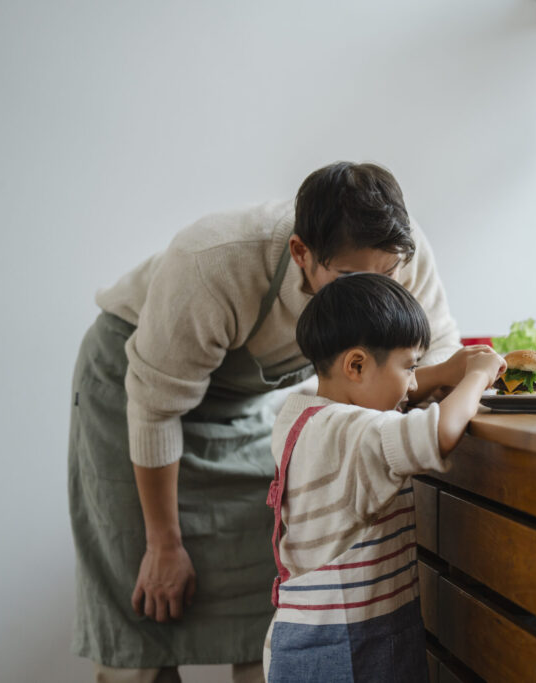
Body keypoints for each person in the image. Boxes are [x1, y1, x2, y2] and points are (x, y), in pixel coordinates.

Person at [69, 162, 478, 682]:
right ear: (300, 253)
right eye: (352, 278)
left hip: (245, 402)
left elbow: (431, 357)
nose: (375, 295)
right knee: (147, 595)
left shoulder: (399, 249)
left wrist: (471, 377)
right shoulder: (213, 261)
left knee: (264, 580)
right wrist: (164, 544)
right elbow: (156, 408)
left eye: (388, 277)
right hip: (139, 393)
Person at [263, 273, 503, 682]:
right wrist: (476, 375)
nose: (412, 385)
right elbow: (438, 433)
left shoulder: (301, 413)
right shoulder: (353, 433)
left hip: (306, 635)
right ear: (355, 364)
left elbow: (381, 394)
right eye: (409, 367)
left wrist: (441, 371)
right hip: (348, 646)